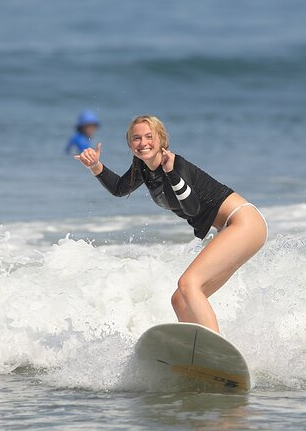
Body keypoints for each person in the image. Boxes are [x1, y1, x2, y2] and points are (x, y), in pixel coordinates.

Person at [74, 115, 267, 334]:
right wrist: (95, 166)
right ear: (130, 144)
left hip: (244, 222)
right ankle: (196, 353)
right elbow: (120, 188)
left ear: (161, 140)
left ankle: (216, 349)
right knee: (180, 300)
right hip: (233, 229)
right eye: (136, 138)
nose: (143, 142)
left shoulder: (176, 165)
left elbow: (192, 209)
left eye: (149, 136)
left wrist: (171, 173)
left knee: (188, 283)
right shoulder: (143, 167)